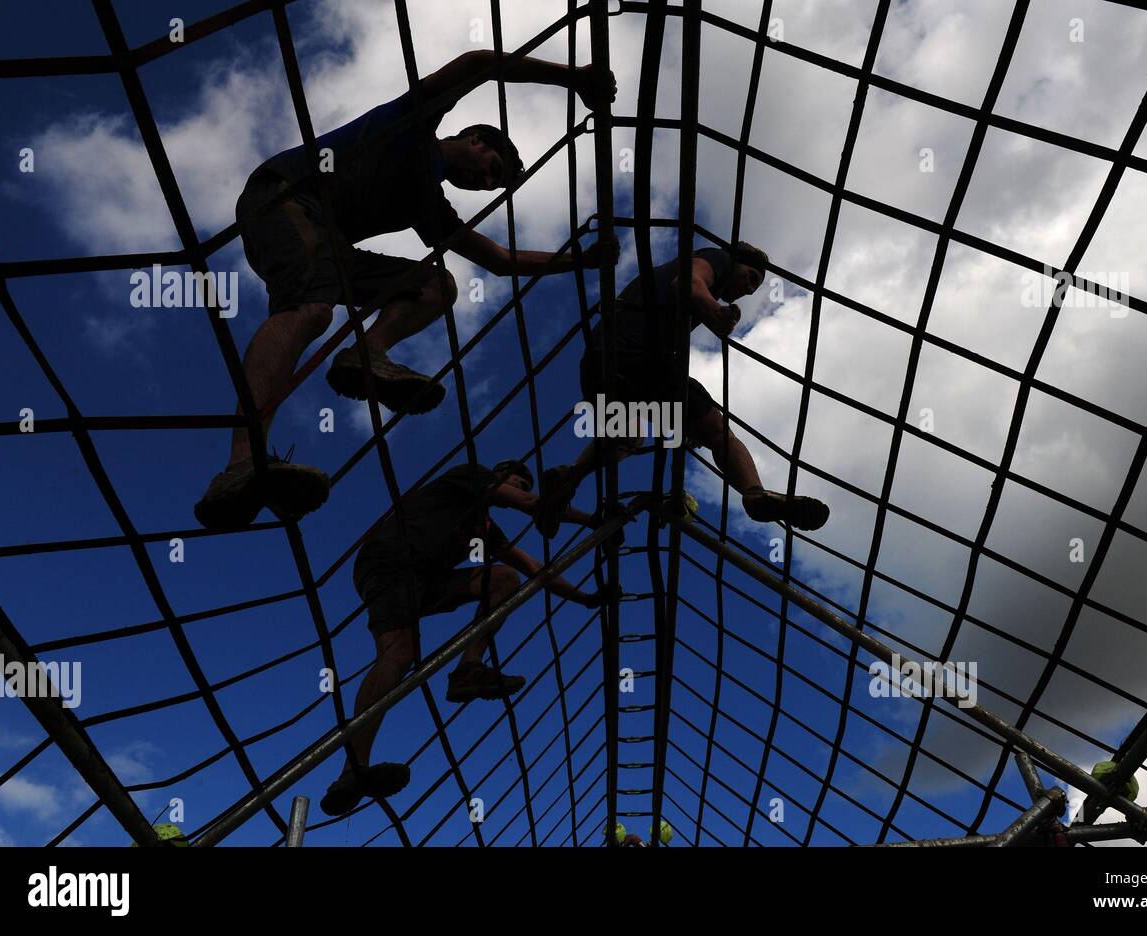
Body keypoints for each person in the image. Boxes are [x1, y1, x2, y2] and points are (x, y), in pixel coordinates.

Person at [195, 51, 621, 530]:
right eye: (492, 169)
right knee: (312, 309)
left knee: (436, 285)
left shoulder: (428, 204)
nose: (484, 183)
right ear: (474, 139)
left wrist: (580, 260)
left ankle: (366, 355)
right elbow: (478, 63)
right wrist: (575, 78)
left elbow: (500, 260)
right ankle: (241, 464)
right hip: (285, 197)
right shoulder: (412, 122)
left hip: (328, 242)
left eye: (492, 186)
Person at [319, 459, 614, 816]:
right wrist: (592, 519)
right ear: (502, 474)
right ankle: (353, 769)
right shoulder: (471, 475)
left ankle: (467, 669)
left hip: (428, 579)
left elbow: (534, 569)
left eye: (525, 486)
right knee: (399, 655)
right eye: (519, 482)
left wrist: (585, 599)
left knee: (505, 579)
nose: (522, 490)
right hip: (393, 559)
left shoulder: (485, 527)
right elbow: (532, 505)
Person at [536, 243, 829, 535]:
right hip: (641, 358)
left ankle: (569, 478)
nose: (750, 289)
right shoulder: (717, 259)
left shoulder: (683, 283)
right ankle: (754, 493)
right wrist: (715, 313)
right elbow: (687, 282)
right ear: (735, 261)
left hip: (598, 366)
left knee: (628, 437)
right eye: (751, 277)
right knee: (717, 430)